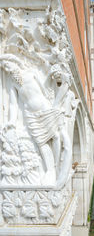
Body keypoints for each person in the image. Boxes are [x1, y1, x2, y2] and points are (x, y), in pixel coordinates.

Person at [0, 54, 58, 185]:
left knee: (54, 137)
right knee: (41, 142)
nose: (7, 69)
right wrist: (11, 121)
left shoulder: (31, 73)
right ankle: (49, 170)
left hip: (44, 109)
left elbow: (46, 88)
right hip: (29, 115)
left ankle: (55, 167)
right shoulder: (12, 84)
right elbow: (13, 104)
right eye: (4, 67)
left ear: (14, 62)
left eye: (7, 65)